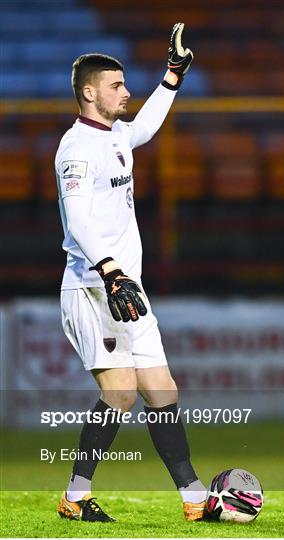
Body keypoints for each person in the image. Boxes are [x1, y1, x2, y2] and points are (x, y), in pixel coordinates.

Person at [55, 23, 207, 523]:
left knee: (162, 390)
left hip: (126, 288)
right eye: (117, 86)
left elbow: (146, 127)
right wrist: (113, 271)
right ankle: (75, 496)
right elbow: (77, 221)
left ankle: (194, 499)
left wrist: (173, 75)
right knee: (120, 392)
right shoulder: (76, 149)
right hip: (95, 288)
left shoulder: (117, 134)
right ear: (89, 92)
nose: (126, 92)